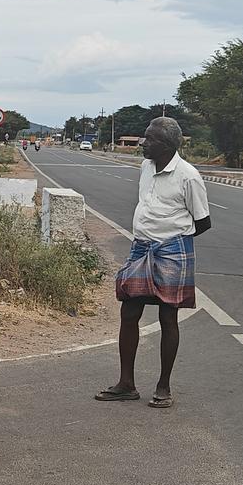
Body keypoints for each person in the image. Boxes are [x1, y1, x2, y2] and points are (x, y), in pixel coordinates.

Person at [96, 117, 211, 408]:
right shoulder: (146, 166)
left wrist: (171, 237)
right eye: (145, 138)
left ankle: (163, 387)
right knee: (129, 311)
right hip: (141, 248)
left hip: (172, 250)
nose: (143, 143)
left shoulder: (188, 176)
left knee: (168, 317)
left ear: (167, 145)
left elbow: (203, 222)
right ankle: (126, 384)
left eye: (150, 139)